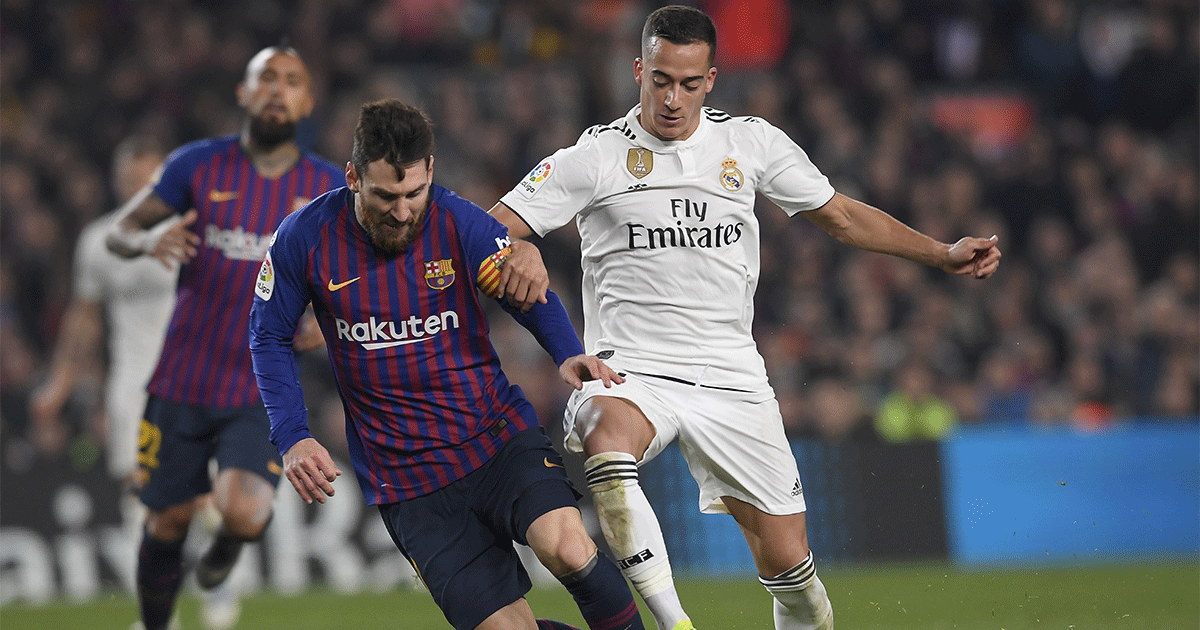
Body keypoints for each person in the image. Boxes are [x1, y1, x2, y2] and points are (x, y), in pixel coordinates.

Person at [488, 6, 1003, 630]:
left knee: (794, 576)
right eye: (659, 80)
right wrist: (521, 244)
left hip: (732, 377)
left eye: (688, 82)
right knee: (603, 432)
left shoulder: (750, 143)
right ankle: (674, 623)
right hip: (633, 371)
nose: (672, 98)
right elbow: (489, 230)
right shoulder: (595, 156)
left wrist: (941, 253)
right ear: (638, 72)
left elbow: (839, 215)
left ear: (711, 79)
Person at [249, 99, 646, 630]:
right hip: (410, 482)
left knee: (569, 547)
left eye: (414, 193)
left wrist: (566, 349)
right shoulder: (304, 237)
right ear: (352, 178)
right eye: (385, 196)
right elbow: (267, 336)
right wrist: (293, 435)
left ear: (431, 172)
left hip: (494, 438)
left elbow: (523, 287)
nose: (402, 211)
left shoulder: (458, 221)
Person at [105, 45, 344, 630]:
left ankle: (229, 549)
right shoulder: (197, 165)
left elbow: (354, 280)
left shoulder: (328, 188)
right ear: (244, 92)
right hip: (181, 377)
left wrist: (329, 323)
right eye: (266, 78)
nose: (277, 89)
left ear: (306, 100)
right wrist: (147, 242)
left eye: (291, 80)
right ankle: (154, 624)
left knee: (242, 511)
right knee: (164, 522)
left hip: (260, 385)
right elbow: (119, 230)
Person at [30, 134, 173, 489]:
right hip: (133, 381)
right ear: (116, 182)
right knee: (141, 489)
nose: (139, 190)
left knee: (206, 498)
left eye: (148, 180)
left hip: (199, 377)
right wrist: (59, 385)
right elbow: (84, 321)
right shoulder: (98, 241)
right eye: (130, 180)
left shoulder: (196, 230)